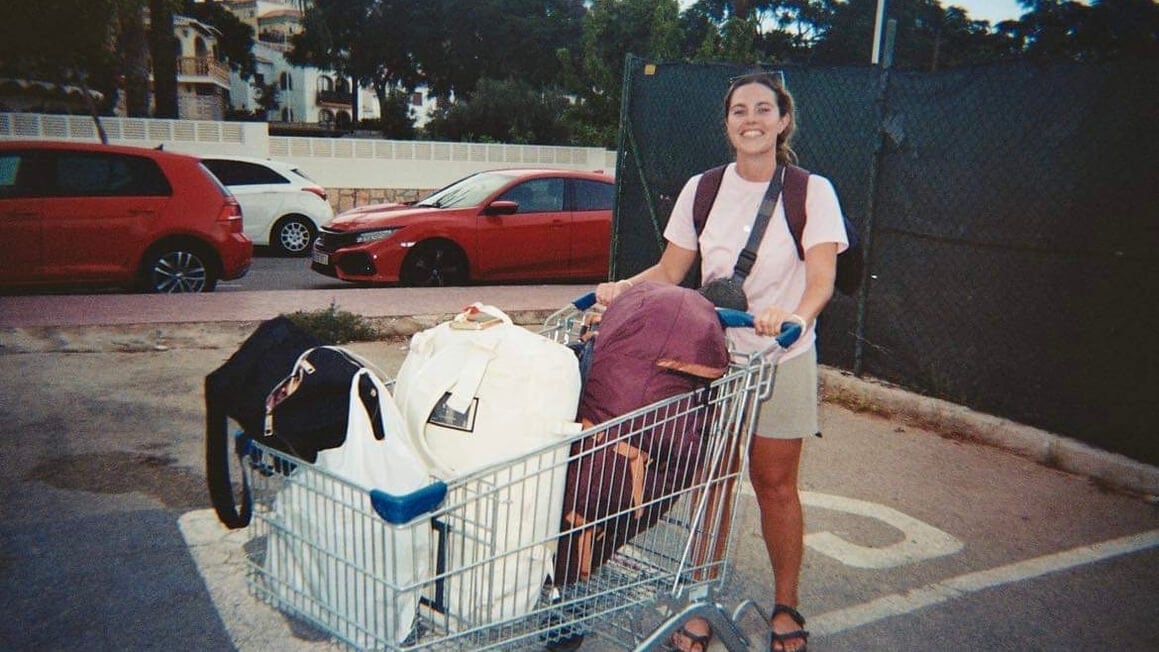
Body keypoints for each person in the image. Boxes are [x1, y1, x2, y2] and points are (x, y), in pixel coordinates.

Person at [593, 71, 848, 652]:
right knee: (712, 483)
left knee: (775, 485)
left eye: (764, 108)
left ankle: (785, 604)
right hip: (708, 357)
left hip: (780, 357)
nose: (751, 119)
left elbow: (822, 279)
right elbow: (668, 272)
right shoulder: (703, 188)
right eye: (739, 110)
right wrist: (620, 289)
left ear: (783, 120)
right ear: (728, 123)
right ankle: (702, 601)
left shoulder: (811, 191)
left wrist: (794, 318)